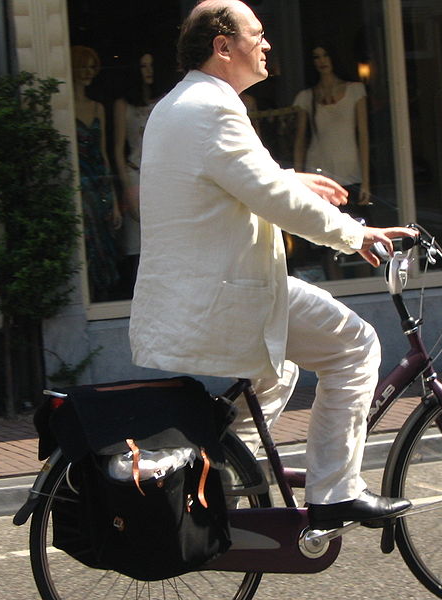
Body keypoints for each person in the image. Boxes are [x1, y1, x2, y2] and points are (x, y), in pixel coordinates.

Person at [129, 0, 414, 529]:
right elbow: (264, 193)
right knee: (355, 346)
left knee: (275, 375)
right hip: (225, 293)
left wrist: (294, 178)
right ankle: (335, 493)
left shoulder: (178, 104)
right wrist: (358, 235)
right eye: (256, 34)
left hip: (196, 293)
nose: (266, 44)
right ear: (223, 46)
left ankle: (191, 470)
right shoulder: (213, 108)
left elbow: (236, 175)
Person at [293, 41, 372, 279]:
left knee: (359, 235)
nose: (322, 61)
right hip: (319, 175)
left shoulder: (355, 90)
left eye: (326, 55)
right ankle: (338, 288)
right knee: (327, 240)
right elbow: (300, 140)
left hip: (350, 171)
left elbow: (364, 136)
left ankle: (365, 282)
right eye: (316, 57)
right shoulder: (306, 97)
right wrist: (297, 180)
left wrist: (366, 181)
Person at [72, 45, 122, 301]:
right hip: (80, 184)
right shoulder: (66, 109)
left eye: (93, 67)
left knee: (104, 243)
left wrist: (113, 200)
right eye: (84, 66)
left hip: (99, 181)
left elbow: (103, 152)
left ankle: (102, 296)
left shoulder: (97, 108)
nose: (89, 73)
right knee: (88, 244)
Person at [113, 52, 163, 293]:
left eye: (151, 65)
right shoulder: (123, 106)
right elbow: (118, 149)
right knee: (138, 243)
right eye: (143, 66)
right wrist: (125, 187)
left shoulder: (164, 100)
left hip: (162, 176)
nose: (148, 71)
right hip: (135, 175)